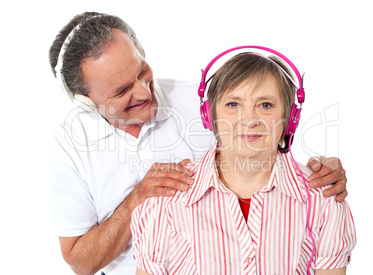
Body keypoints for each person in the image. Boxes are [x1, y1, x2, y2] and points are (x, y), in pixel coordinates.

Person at [48, 12, 349, 275]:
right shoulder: (70, 142)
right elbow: (80, 263)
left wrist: (321, 171)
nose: (143, 92)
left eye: (142, 71)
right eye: (122, 90)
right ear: (86, 102)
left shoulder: (205, 99)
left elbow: (264, 140)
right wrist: (138, 198)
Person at [131, 52, 356, 274]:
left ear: (290, 119)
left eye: (265, 105)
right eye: (233, 104)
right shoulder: (165, 201)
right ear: (209, 116)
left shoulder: (323, 199)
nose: (249, 120)